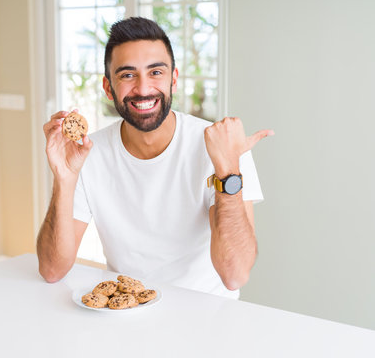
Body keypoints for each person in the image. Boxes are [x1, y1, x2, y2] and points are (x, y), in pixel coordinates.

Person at [37, 17, 274, 299]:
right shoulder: (88, 154)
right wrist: (64, 178)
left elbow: (235, 276)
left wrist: (227, 172)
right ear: (108, 87)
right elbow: (52, 269)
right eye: (127, 75)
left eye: (156, 72)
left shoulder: (222, 148)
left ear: (173, 78)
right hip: (127, 313)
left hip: (206, 317)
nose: (143, 88)